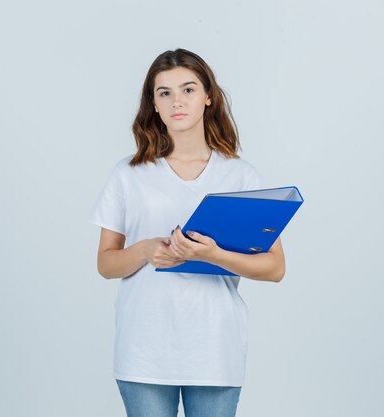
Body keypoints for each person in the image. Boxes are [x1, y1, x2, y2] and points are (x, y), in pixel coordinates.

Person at [86, 48, 286, 417]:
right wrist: (146, 250)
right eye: (164, 93)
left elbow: (274, 268)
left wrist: (211, 255)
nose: (177, 101)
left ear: (209, 97)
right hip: (144, 350)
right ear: (154, 105)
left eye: (188, 89)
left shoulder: (240, 176)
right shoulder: (129, 173)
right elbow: (106, 264)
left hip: (214, 349)